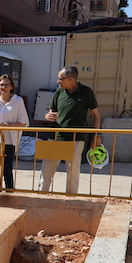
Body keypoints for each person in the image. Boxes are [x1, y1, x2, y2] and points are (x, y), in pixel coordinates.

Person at [41, 65, 100, 194]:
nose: (58, 82)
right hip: (55, 137)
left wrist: (97, 136)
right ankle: (41, 195)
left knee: (73, 172)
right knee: (46, 170)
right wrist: (47, 116)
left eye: (60, 79)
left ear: (71, 79)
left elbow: (96, 115)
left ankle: (70, 199)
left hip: (75, 139)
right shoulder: (58, 91)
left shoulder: (86, 92)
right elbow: (51, 111)